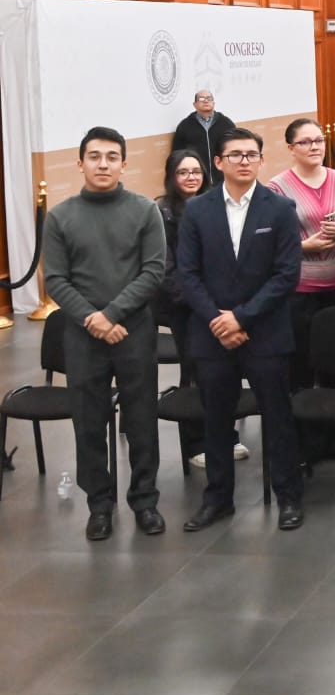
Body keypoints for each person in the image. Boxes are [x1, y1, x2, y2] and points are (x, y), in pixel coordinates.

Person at [176, 127, 305, 532]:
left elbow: (286, 275)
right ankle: (218, 499)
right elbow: (187, 274)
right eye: (235, 155)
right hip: (212, 333)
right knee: (216, 420)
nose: (244, 161)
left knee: (277, 417)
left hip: (264, 332)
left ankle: (288, 497)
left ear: (262, 161)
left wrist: (242, 318)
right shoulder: (197, 210)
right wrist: (219, 320)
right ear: (218, 162)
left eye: (251, 154)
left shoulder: (280, 209)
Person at [43, 127, 166, 541]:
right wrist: (92, 319)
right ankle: (99, 505)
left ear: (124, 164)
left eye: (112, 157)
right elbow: (55, 279)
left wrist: (110, 315)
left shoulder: (144, 210)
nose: (103, 164)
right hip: (83, 336)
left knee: (141, 419)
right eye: (94, 156)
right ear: (80, 163)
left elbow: (153, 271)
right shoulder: (61, 216)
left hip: (134, 330)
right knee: (88, 422)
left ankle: (145, 501)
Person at [268, 118, 335, 466]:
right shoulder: (277, 187)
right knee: (301, 367)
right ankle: (305, 444)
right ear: (291, 148)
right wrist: (304, 246)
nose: (315, 147)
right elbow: (271, 240)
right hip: (300, 289)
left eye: (319, 140)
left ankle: (334, 439)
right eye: (306, 142)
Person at [156, 149, 243, 467]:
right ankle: (196, 443)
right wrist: (198, 301)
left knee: (225, 372)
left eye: (196, 171)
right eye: (183, 172)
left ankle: (226, 435)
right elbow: (166, 268)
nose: (191, 177)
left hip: (219, 304)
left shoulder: (217, 204)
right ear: (172, 177)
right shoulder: (162, 211)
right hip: (184, 307)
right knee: (193, 372)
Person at [171, 89, 235, 187]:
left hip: (223, 179)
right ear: (195, 104)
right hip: (197, 180)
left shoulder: (226, 123)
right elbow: (177, 155)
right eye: (201, 99)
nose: (206, 101)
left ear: (214, 103)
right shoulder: (185, 126)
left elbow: (235, 149)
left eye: (209, 98)